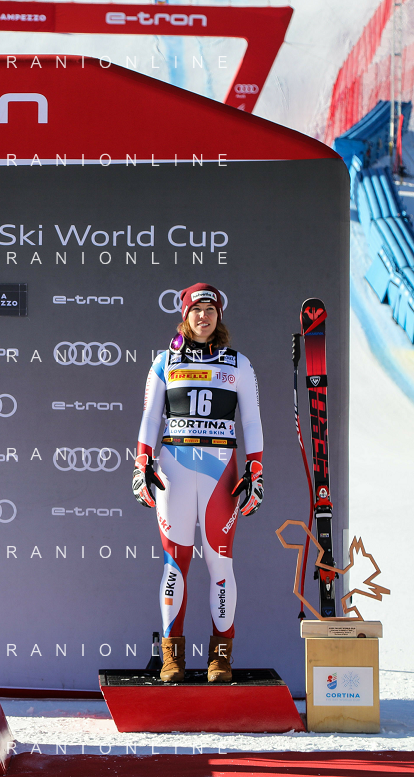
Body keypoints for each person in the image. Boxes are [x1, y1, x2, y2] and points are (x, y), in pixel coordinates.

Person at [133, 283, 263, 684]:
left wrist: (255, 471)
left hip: (220, 472)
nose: (203, 317)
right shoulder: (164, 362)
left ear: (218, 316)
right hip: (173, 467)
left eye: (210, 310)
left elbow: (252, 421)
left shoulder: (239, 364)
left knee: (220, 563)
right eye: (196, 310)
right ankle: (172, 658)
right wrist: (141, 464)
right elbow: (150, 418)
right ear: (185, 315)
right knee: (175, 563)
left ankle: (220, 658)